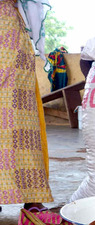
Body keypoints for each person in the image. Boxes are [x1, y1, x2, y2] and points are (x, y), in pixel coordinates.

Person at [0, 0, 53, 213]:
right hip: (8, 33)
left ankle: (32, 196)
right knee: (18, 119)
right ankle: (32, 198)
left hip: (8, 36)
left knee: (18, 119)